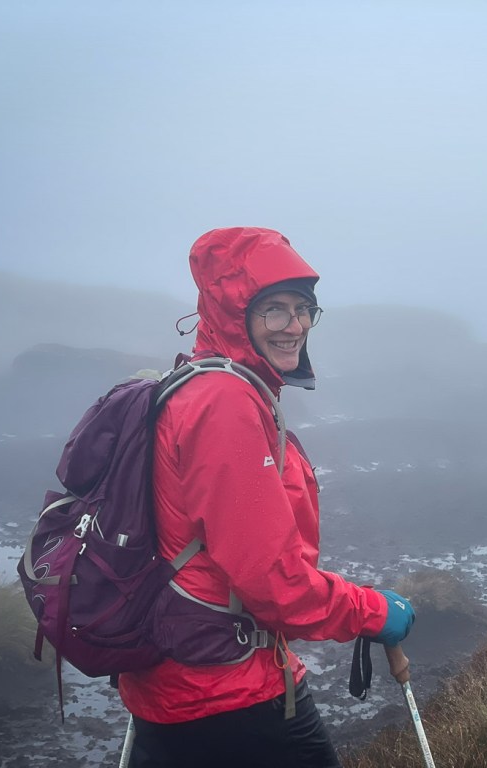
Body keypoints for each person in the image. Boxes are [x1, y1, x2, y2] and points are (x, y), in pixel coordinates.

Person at [118, 227, 415, 768]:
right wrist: (374, 611)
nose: (295, 325)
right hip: (227, 694)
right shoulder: (224, 403)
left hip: (170, 683)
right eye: (273, 309)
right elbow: (275, 584)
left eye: (303, 309)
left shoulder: (196, 384)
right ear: (235, 314)